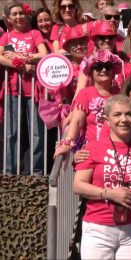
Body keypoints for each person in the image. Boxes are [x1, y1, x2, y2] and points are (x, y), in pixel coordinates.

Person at [74, 94, 131, 259]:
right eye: (117, 114)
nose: (124, 119)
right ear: (107, 120)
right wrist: (108, 193)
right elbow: (78, 185)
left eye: (128, 114)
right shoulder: (92, 148)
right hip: (98, 229)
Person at [0, 2, 48, 175]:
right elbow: (1, 57)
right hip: (12, 88)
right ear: (9, 18)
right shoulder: (6, 37)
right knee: (10, 132)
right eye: (14, 14)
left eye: (21, 13)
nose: (19, 17)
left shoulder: (34, 33)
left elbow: (43, 54)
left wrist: (19, 57)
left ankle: (36, 172)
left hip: (33, 89)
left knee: (36, 132)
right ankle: (9, 171)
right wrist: (24, 66)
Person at [54, 50, 122, 158]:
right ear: (90, 72)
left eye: (108, 66)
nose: (104, 70)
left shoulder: (120, 94)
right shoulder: (85, 94)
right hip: (91, 153)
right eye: (99, 66)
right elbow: (77, 122)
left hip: (116, 153)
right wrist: (66, 143)